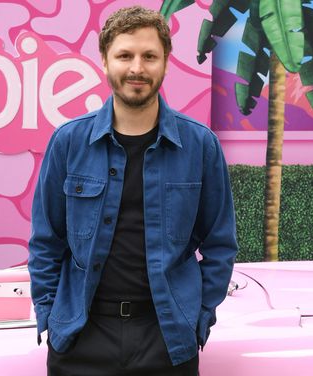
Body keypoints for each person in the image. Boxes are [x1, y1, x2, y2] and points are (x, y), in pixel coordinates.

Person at [28, 6, 238, 375]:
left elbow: (220, 244)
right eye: (125, 55)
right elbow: (47, 240)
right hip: (81, 335)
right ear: (105, 62)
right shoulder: (69, 142)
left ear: (166, 63)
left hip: (166, 337)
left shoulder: (200, 145)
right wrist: (48, 313)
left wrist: (199, 316)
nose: (137, 68)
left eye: (149, 56)